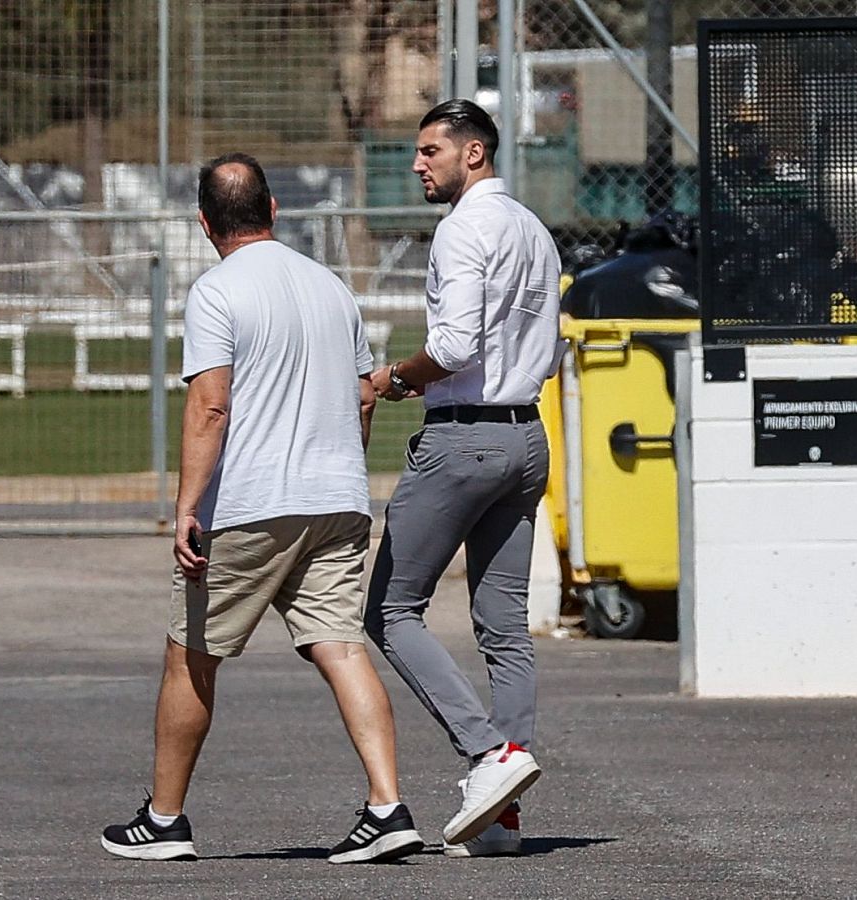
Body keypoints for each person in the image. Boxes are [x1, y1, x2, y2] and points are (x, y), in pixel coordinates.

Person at [100, 153, 422, 865]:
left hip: (251, 504)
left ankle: (164, 819)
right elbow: (364, 394)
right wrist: (343, 464)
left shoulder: (217, 292)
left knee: (191, 655)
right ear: (274, 211)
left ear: (204, 222)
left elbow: (211, 404)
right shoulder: (332, 287)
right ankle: (387, 803)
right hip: (338, 499)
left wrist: (188, 505)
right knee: (340, 646)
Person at [366, 99, 561, 858]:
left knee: (388, 608)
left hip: (465, 438)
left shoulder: (463, 229)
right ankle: (503, 821)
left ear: (472, 154)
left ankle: (490, 756)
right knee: (504, 628)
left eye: (429, 152)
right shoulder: (533, 229)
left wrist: (395, 378)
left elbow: (451, 344)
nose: (418, 164)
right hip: (527, 436)